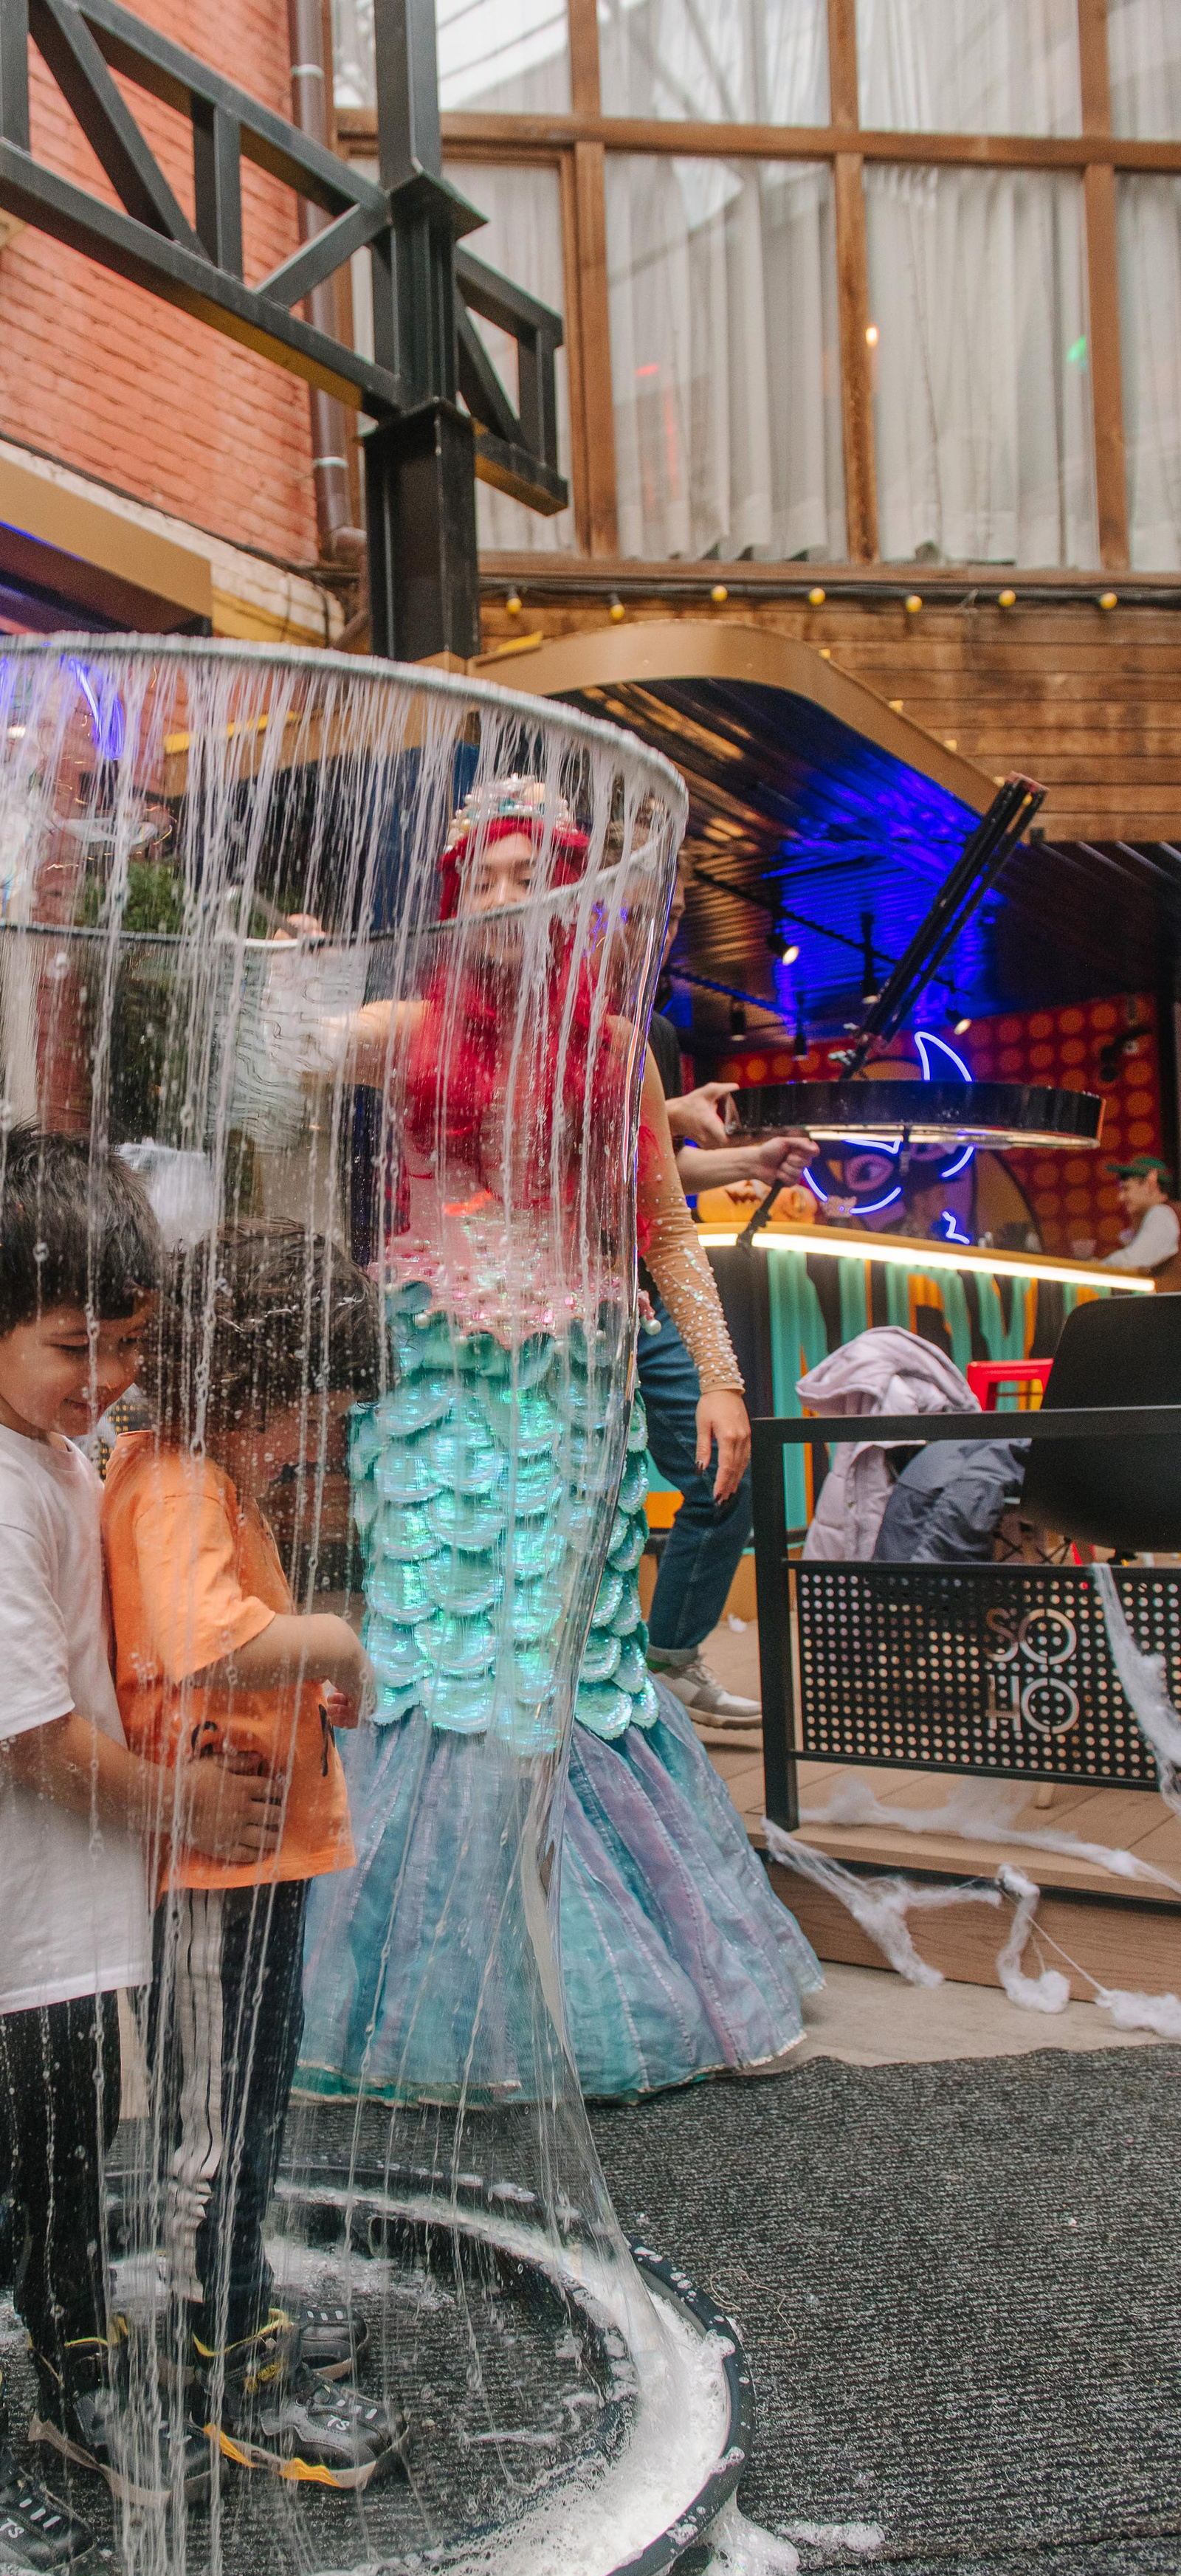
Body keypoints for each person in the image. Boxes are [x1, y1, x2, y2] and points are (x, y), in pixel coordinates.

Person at [297, 779, 821, 2107]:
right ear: (451, 897)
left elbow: (662, 1231)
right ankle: (429, 1987)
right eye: (485, 875)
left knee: (575, 1658)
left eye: (535, 875)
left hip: (575, 1385)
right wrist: (281, 979)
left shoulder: (615, 1050)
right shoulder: (403, 1029)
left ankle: (599, 1968)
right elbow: (269, 1060)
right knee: (436, 1649)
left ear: (577, 898)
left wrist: (717, 1380)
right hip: (439, 1392)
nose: (508, 896)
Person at [0, 1129, 276, 2576]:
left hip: (55, 1933)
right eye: (74, 1347)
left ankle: (79, 2373)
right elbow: (24, 1736)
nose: (107, 1379)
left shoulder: (57, 1450)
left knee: (73, 2173)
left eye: (129, 1347)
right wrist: (177, 1806)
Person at [102, 1221, 404, 2487]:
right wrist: (327, 1644)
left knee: (245, 2107)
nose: (311, 1447)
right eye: (306, 1415)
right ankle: (218, 2355)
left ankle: (237, 2303)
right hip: (216, 1878)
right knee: (217, 2124)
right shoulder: (173, 1480)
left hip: (254, 1861)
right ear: (244, 1385)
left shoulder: (203, 1481)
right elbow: (201, 1638)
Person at [642, 963, 813, 1726]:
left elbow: (654, 1179)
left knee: (724, 1480)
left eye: (673, 908)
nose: (655, 923)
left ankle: (669, 1660)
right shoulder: (496, 1013)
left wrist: (751, 1161)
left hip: (639, 1296)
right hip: (519, 1311)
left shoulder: (649, 1032)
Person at [1109, 1155, 1181, 1276]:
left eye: (1126, 1189)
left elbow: (1132, 1261)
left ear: (1150, 1185)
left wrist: (1095, 1267)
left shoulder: (1161, 1214)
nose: (1120, 1197)